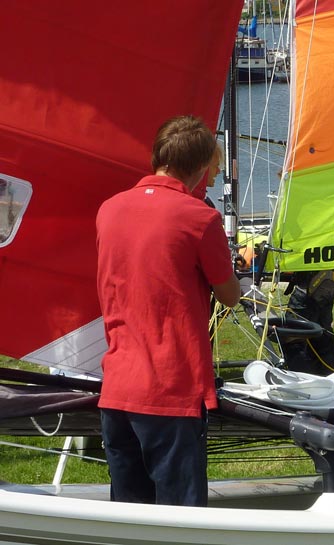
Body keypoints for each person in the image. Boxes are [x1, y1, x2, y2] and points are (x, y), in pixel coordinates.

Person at [95, 115, 241, 506]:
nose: (211, 177)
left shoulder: (109, 209)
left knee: (129, 512)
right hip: (170, 388)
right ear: (199, 166)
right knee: (181, 517)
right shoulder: (200, 218)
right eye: (211, 168)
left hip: (117, 387)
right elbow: (229, 295)